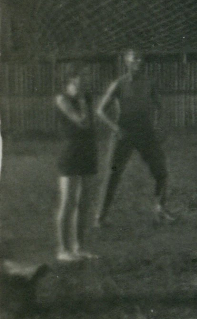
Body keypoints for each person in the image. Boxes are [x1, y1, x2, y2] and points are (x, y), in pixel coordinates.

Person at [94, 49, 174, 226]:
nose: (139, 62)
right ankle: (100, 217)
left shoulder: (149, 83)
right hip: (124, 134)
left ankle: (160, 209)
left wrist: (158, 127)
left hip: (145, 133)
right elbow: (100, 110)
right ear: (127, 62)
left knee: (161, 170)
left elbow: (160, 107)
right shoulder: (119, 84)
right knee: (112, 174)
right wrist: (115, 128)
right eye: (135, 60)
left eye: (140, 59)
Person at [53, 66, 99, 262]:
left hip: (88, 151)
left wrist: (84, 101)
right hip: (70, 153)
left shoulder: (87, 98)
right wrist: (81, 101)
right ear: (72, 79)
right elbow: (82, 121)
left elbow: (91, 124)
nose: (87, 80)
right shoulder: (62, 99)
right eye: (84, 76)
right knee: (68, 201)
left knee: (84, 202)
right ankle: (63, 250)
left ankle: (79, 247)